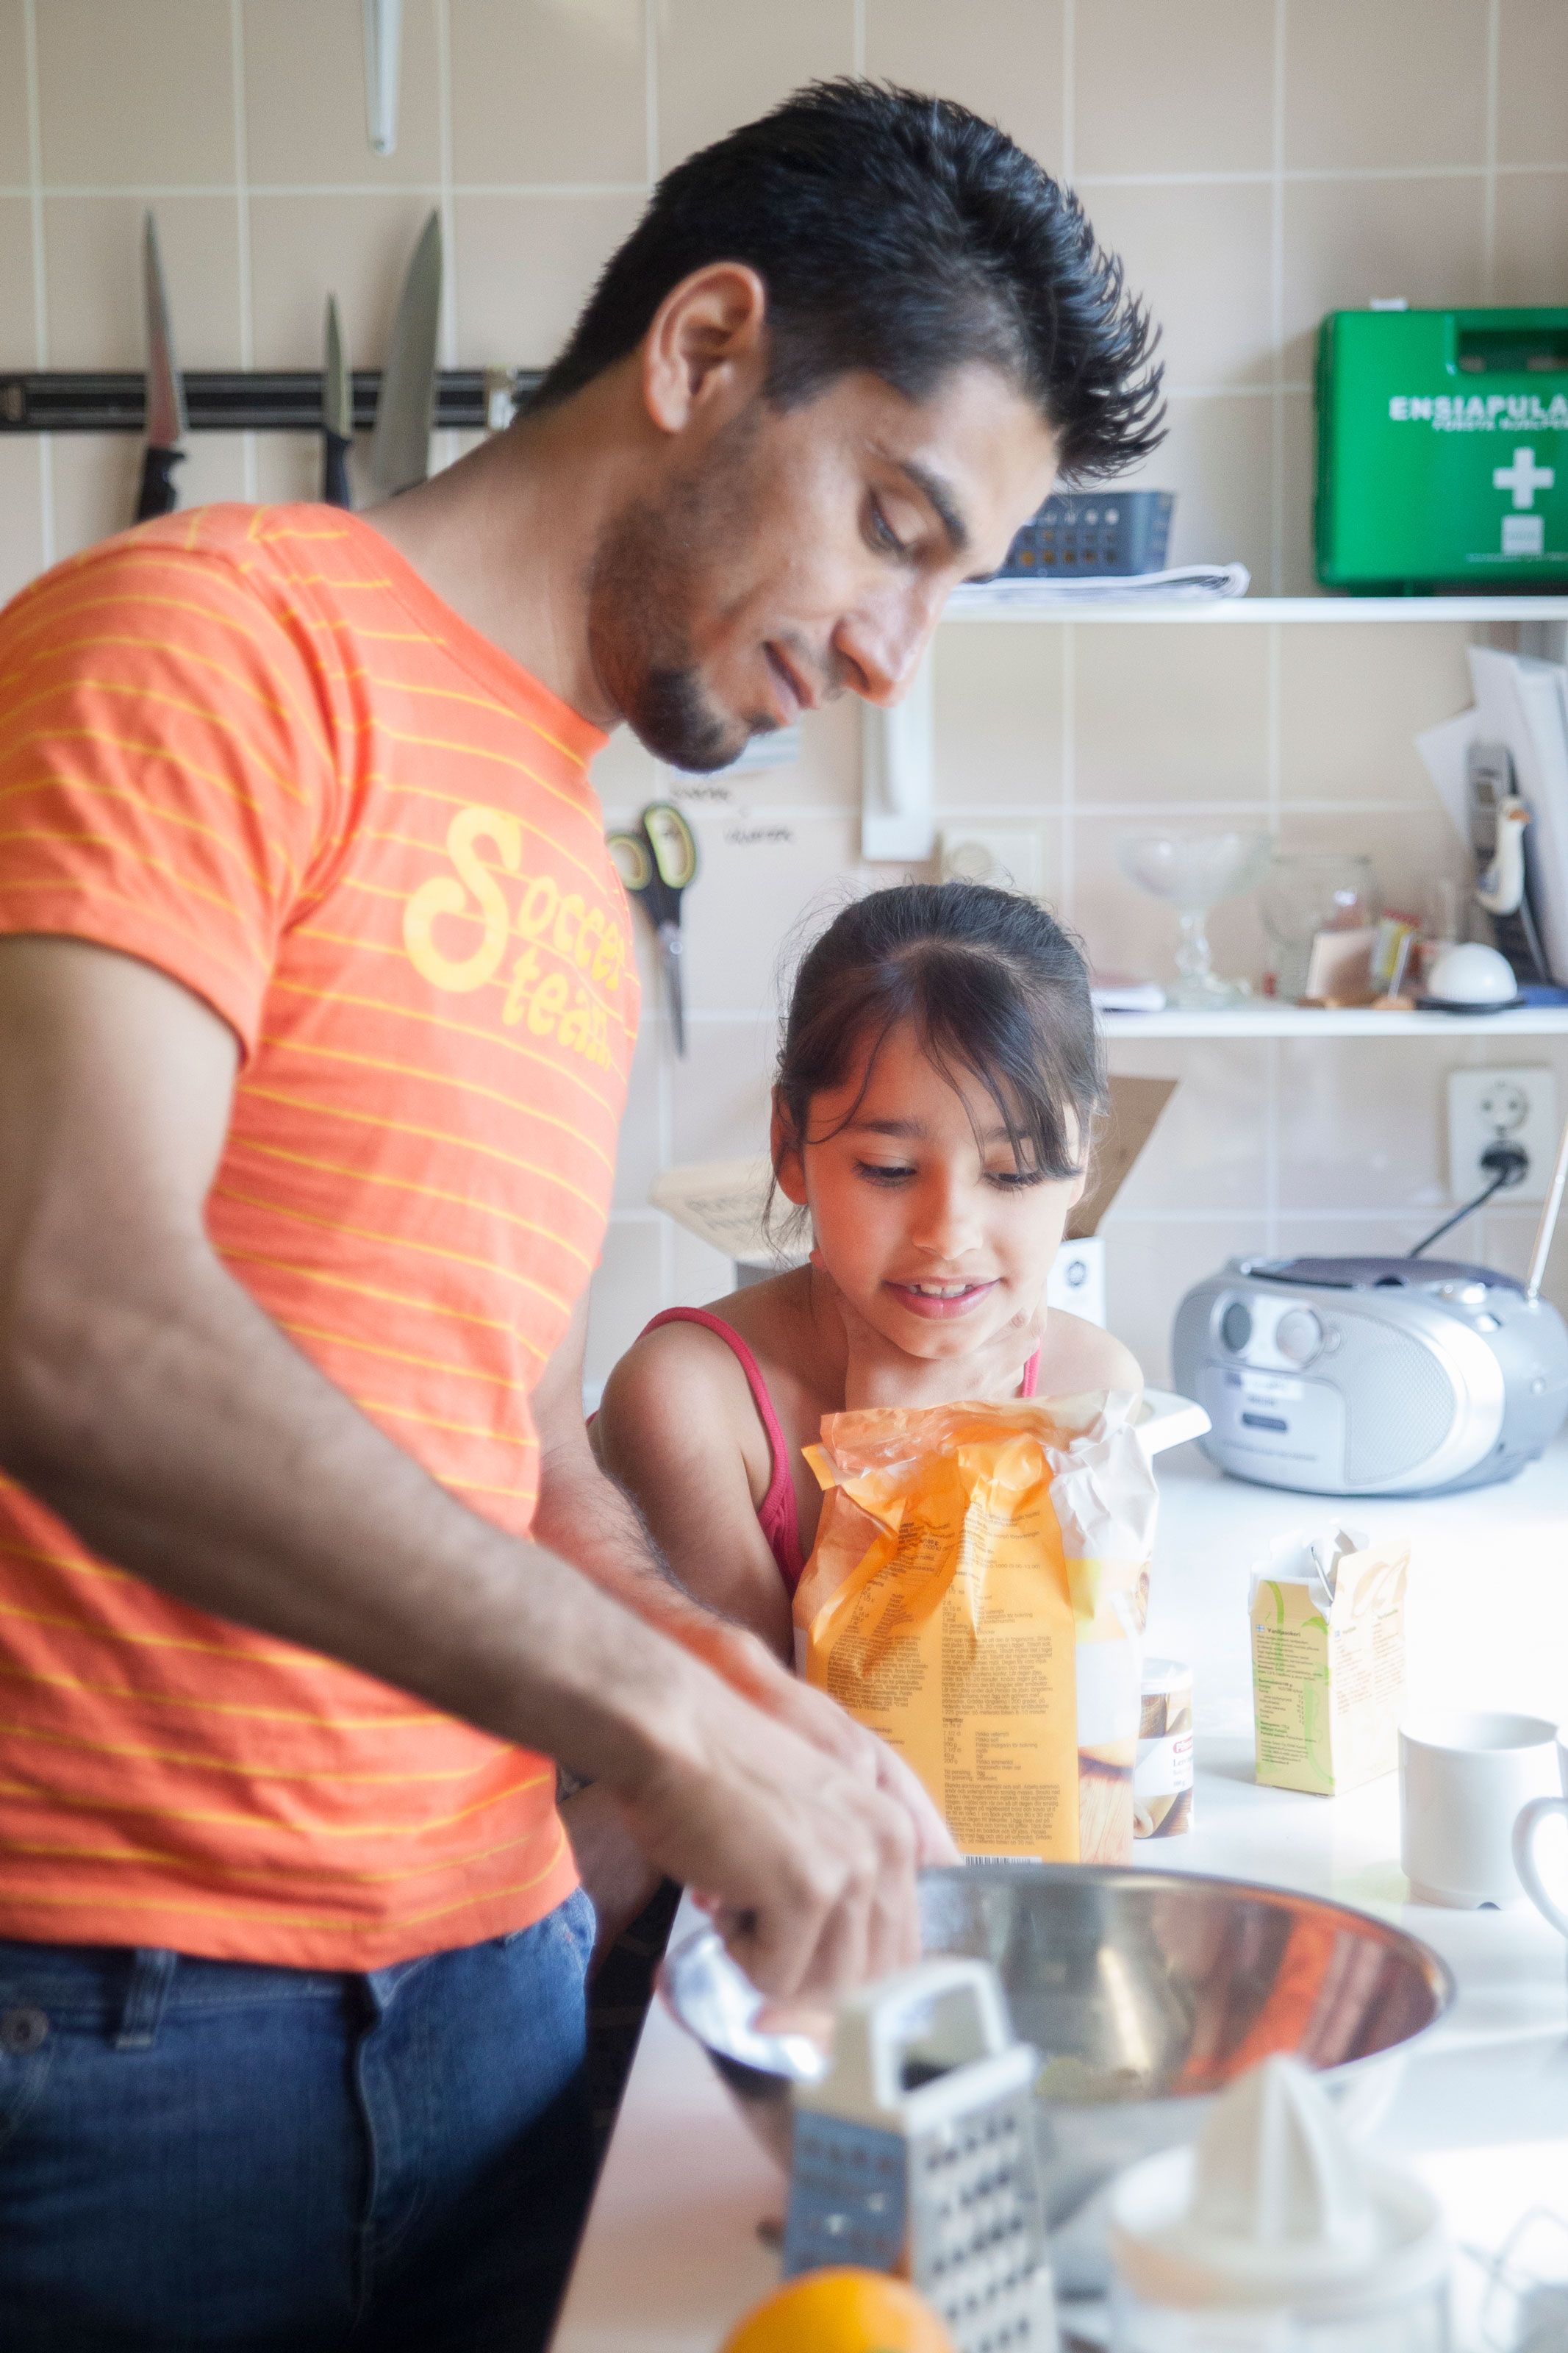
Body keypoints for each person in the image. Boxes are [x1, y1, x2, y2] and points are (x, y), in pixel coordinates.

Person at [0, 78, 1161, 2353]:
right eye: (895, 527)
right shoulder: (211, 647)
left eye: (957, 582)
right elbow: (65, 1303)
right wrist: (668, 1714)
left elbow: (489, 1415)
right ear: (708, 351)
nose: (890, 651)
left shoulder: (550, 833)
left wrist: (734, 1680)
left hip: (498, 1992)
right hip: (128, 2035)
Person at [597, 882, 1143, 1665]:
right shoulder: (689, 1404)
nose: (947, 1234)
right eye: (889, 1169)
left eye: (1015, 1173)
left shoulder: (1089, 1390)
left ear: (1083, 1161)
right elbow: (778, 1757)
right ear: (791, 1147)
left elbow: (1085, 1713)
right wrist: (898, 1447)